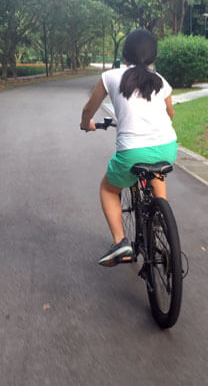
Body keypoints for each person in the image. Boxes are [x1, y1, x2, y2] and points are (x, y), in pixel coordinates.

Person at [80, 29, 177, 267]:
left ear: (125, 54)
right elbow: (170, 113)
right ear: (153, 55)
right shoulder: (161, 81)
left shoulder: (111, 77)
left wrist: (86, 124)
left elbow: (88, 110)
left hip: (131, 152)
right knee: (156, 172)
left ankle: (120, 241)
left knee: (108, 189)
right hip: (167, 147)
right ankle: (159, 221)